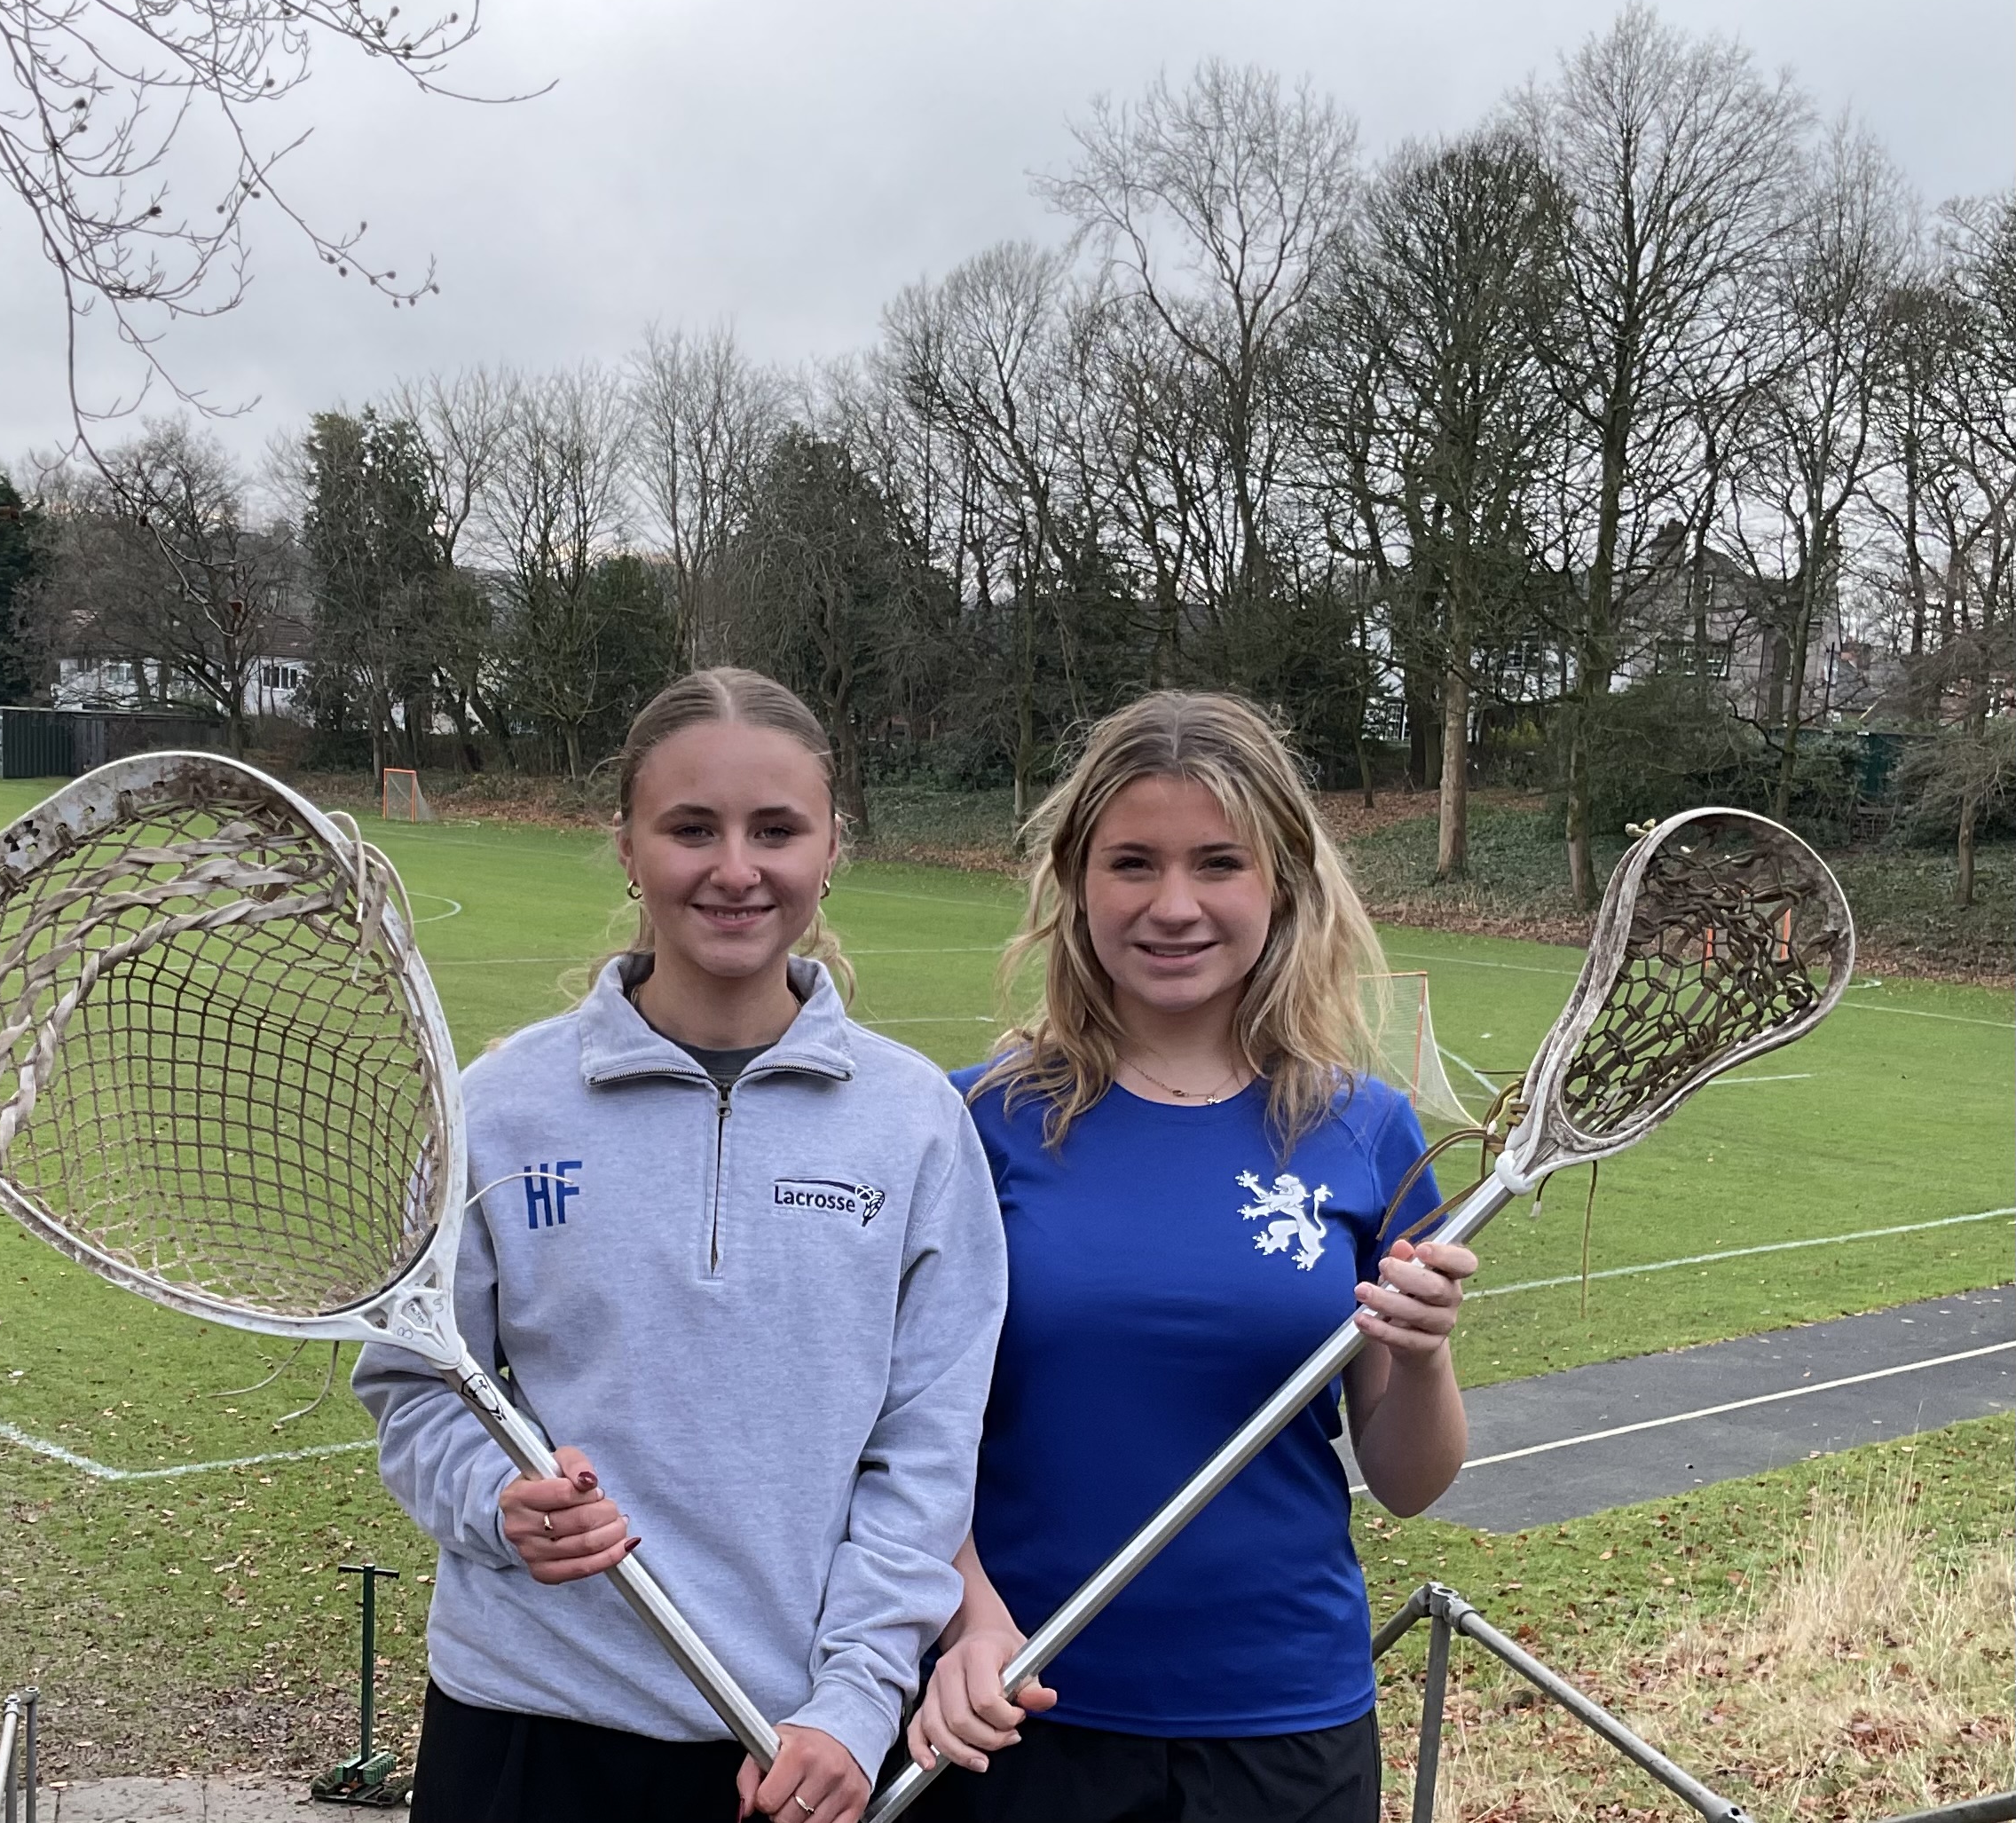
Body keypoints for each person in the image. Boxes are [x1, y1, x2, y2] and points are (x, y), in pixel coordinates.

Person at [355, 667, 1007, 1823]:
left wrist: (856, 1702)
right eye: (691, 829)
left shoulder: (913, 1124)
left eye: (776, 830)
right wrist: (496, 1504)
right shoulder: (501, 1109)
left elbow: (925, 1460)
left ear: (830, 847)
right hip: (524, 1729)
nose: (736, 869)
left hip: (796, 1749)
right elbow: (416, 1388)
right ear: (626, 847)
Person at [909, 691, 1478, 1823]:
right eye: (1132, 862)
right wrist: (966, 1615)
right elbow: (900, 1434)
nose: (1174, 904)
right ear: (1076, 883)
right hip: (1020, 1709)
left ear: (1281, 884)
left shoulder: (1369, 1130)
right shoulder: (970, 1122)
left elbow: (1410, 1482)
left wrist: (1420, 1358)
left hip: (1284, 1721)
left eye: (1218, 862)